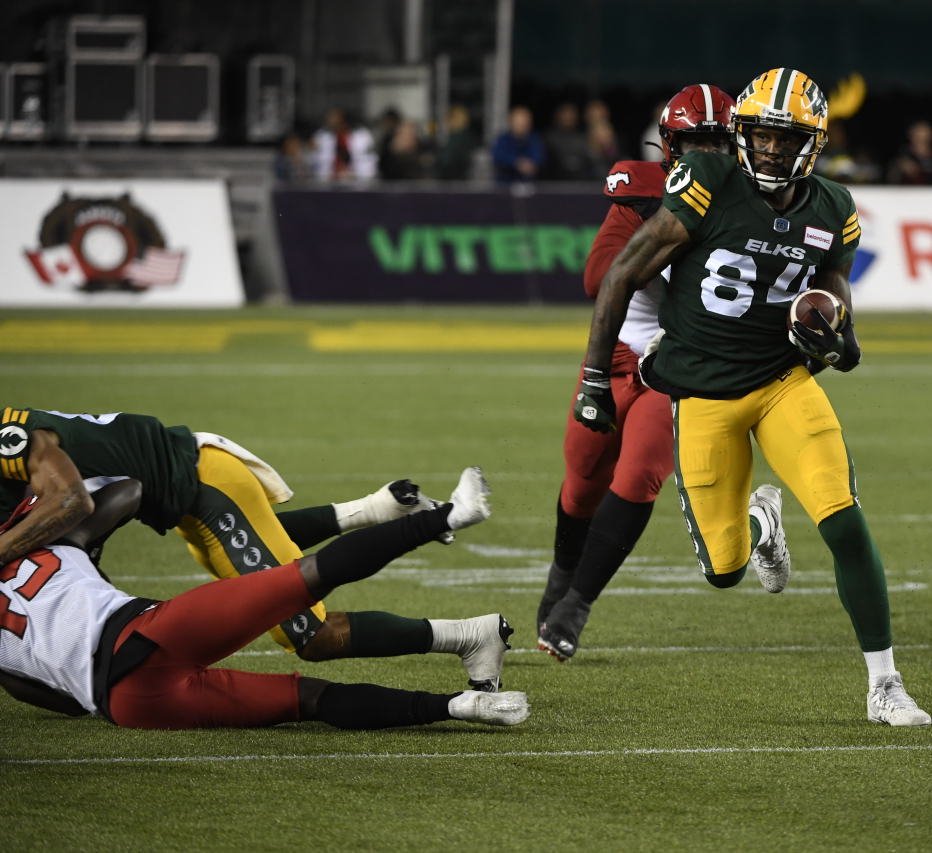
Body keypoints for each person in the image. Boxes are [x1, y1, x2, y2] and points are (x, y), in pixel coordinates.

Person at [570, 68, 931, 726]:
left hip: (781, 381)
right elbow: (622, 272)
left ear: (813, 143)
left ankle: (886, 684)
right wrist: (596, 378)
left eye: (784, 137)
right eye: (760, 135)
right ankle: (762, 522)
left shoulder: (833, 208)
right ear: (742, 134)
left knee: (843, 516)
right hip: (703, 392)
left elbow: (833, 284)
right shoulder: (707, 182)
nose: (768, 149)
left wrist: (838, 329)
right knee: (725, 567)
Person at [0, 407, 511, 690]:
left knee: (308, 634)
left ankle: (469, 629)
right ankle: (380, 508)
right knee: (263, 577)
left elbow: (71, 501)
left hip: (203, 483)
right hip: (189, 499)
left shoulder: (8, 432)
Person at [0, 479, 529, 729]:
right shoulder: (42, 542)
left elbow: (49, 697)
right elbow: (126, 490)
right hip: (147, 633)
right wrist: (67, 540)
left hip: (127, 704)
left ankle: (460, 707)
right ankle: (445, 518)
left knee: (313, 701)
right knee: (306, 578)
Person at [536, 83, 735, 661]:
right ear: (670, 147)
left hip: (676, 366)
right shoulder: (645, 194)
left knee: (641, 473)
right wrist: (667, 241)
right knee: (582, 481)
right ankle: (561, 573)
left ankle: (577, 603)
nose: (705, 156)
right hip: (617, 355)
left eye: (716, 143)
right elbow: (599, 277)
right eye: (693, 144)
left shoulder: (748, 204)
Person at [310, 107, 378, 182]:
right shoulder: (321, 136)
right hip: (326, 181)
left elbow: (370, 161)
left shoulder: (362, 135)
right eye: (329, 117)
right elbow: (313, 160)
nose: (329, 120)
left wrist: (353, 174)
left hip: (357, 181)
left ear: (342, 119)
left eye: (333, 117)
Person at [492, 105, 545, 184]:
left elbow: (540, 157)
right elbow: (498, 156)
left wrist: (530, 164)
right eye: (518, 122)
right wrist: (516, 162)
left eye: (525, 122)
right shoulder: (502, 139)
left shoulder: (534, 139)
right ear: (511, 122)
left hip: (529, 185)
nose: (522, 125)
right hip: (505, 185)